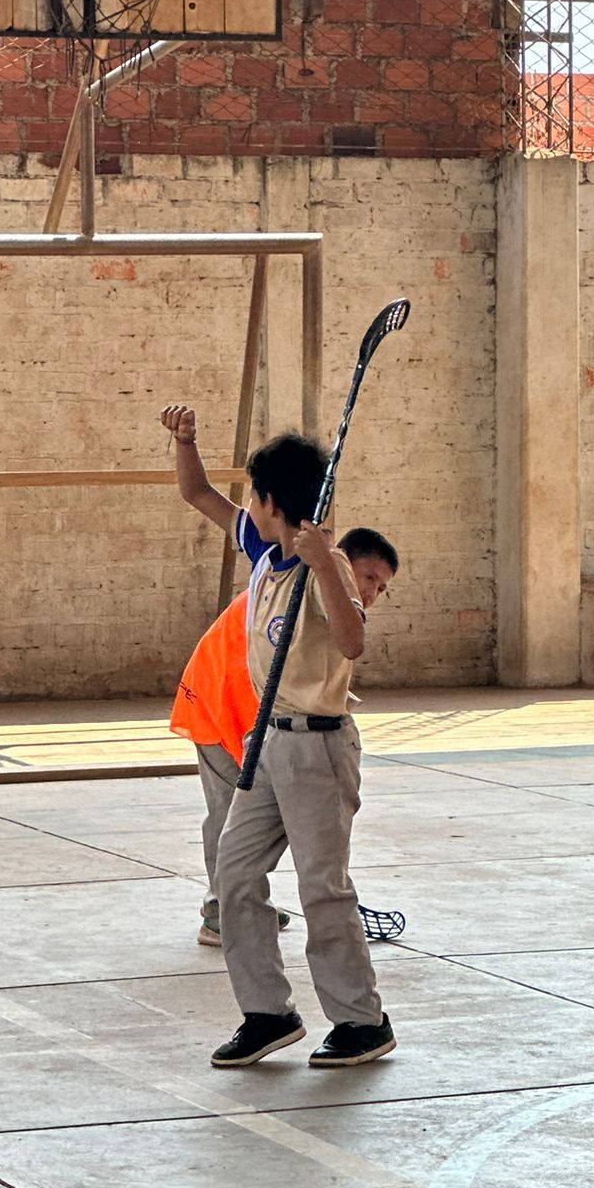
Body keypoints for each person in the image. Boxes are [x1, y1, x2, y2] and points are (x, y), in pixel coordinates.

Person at [160, 404, 397, 1069]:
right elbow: (195, 492)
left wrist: (327, 565)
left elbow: (353, 641)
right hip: (266, 744)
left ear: (269, 499)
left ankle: (361, 1021)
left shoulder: (326, 568)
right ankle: (267, 1012)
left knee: (322, 887)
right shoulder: (264, 548)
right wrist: (186, 441)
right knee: (235, 874)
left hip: (318, 746)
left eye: (253, 497)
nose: (246, 507)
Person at [170, 526, 400, 948]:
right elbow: (256, 680)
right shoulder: (300, 589)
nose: (372, 593)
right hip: (219, 700)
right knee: (230, 811)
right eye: (369, 578)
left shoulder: (318, 601)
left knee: (245, 812)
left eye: (382, 588)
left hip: (244, 702)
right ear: (342, 560)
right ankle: (221, 910)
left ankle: (242, 901)